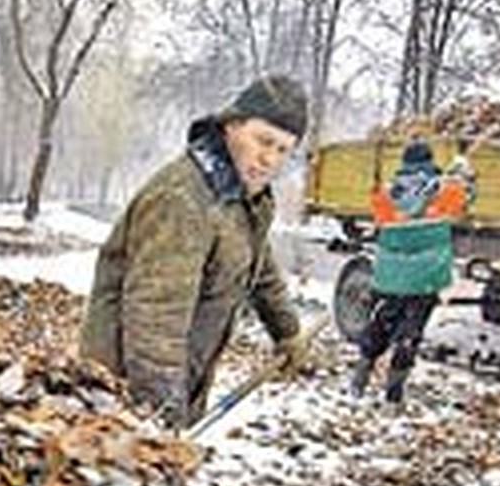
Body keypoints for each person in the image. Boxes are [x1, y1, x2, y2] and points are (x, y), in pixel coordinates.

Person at [79, 74, 314, 428]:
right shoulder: (184, 201)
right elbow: (156, 322)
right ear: (231, 125)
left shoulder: (241, 197)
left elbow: (259, 266)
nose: (269, 159)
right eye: (263, 141)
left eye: (283, 150)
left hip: (180, 377)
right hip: (122, 392)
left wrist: (287, 332)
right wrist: (160, 422)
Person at [348, 137, 475, 403]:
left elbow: (383, 219)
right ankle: (393, 396)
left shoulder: (386, 193)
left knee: (382, 322)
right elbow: (465, 198)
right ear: (429, 163)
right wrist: (462, 171)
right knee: (409, 333)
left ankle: (359, 380)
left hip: (390, 276)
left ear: (404, 164)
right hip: (424, 278)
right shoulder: (442, 190)